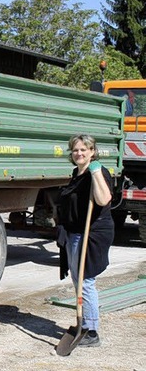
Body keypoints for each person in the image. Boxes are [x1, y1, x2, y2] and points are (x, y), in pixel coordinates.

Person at [57, 134, 113, 348]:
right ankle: (84, 323)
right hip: (75, 232)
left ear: (92, 151)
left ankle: (91, 331)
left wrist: (96, 172)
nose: (79, 153)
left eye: (83, 149)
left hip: (92, 233)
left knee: (85, 281)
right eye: (75, 150)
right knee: (77, 280)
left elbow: (103, 199)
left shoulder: (97, 172)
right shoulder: (77, 173)